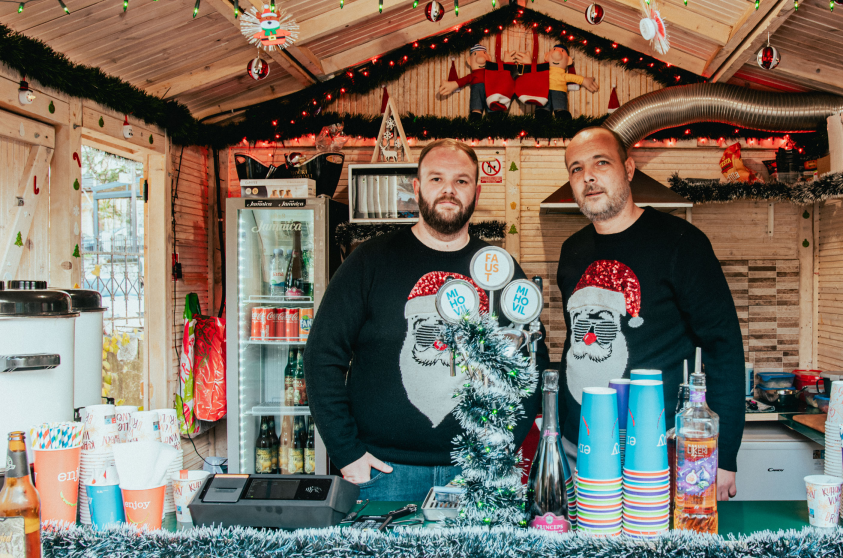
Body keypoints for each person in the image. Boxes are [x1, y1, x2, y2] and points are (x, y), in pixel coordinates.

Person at [306, 139, 546, 499]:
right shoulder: (369, 262)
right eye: (436, 179)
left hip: (475, 472)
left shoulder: (500, 272)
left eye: (461, 181)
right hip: (383, 473)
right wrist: (347, 452)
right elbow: (322, 355)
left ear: (476, 192)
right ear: (417, 188)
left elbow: (530, 368)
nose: (448, 190)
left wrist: (500, 449)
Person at [556, 126, 744, 499]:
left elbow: (724, 347)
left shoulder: (681, 243)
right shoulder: (571, 250)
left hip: (659, 449)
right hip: (580, 445)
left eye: (601, 163)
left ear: (628, 169)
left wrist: (724, 456)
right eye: (576, 169)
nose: (588, 176)